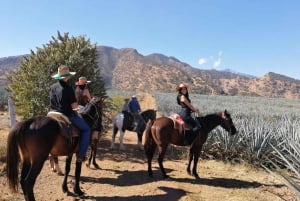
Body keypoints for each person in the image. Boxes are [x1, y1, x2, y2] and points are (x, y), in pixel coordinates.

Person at [50, 65, 91, 162]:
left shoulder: (52, 87)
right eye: (68, 75)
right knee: (86, 129)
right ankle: (81, 155)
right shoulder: (68, 89)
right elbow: (74, 107)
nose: (69, 77)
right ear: (66, 77)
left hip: (51, 113)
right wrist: (78, 107)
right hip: (65, 114)